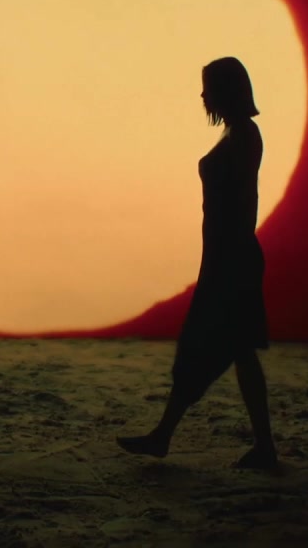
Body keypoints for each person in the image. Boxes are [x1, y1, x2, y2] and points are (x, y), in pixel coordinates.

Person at [117, 56, 278, 469]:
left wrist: (225, 261)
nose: (203, 95)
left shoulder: (244, 135)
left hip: (231, 261)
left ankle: (167, 436)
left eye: (208, 87)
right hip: (226, 258)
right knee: (234, 351)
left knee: (206, 348)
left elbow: (245, 204)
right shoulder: (234, 133)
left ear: (226, 90)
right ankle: (255, 446)